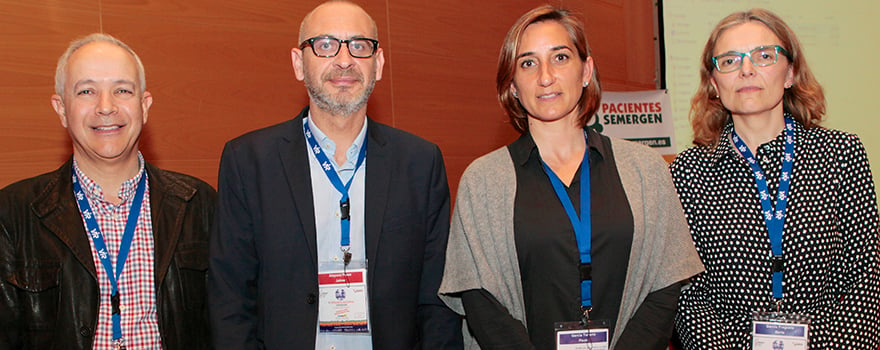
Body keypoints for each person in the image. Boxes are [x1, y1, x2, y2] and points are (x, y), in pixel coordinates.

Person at [439, 5, 703, 350]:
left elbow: (665, 285)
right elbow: (479, 298)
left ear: (586, 70)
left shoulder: (646, 169)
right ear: (513, 85)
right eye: (528, 63)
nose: (545, 76)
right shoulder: (484, 180)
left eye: (560, 57)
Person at [207, 1, 463, 349]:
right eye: (325, 45)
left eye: (359, 45)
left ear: (379, 63)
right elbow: (230, 299)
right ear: (299, 63)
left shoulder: (419, 162)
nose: (344, 60)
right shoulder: (248, 161)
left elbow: (437, 301)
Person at [671, 8, 880, 349]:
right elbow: (689, 294)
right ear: (713, 82)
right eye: (729, 61)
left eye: (764, 56)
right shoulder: (687, 172)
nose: (747, 70)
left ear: (790, 73)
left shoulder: (842, 154)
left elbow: (864, 280)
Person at [0, 33, 215, 349]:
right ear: (61, 109)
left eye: (122, 90)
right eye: (87, 91)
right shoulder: (12, 214)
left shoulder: (199, 204)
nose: (106, 107)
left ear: (144, 106)